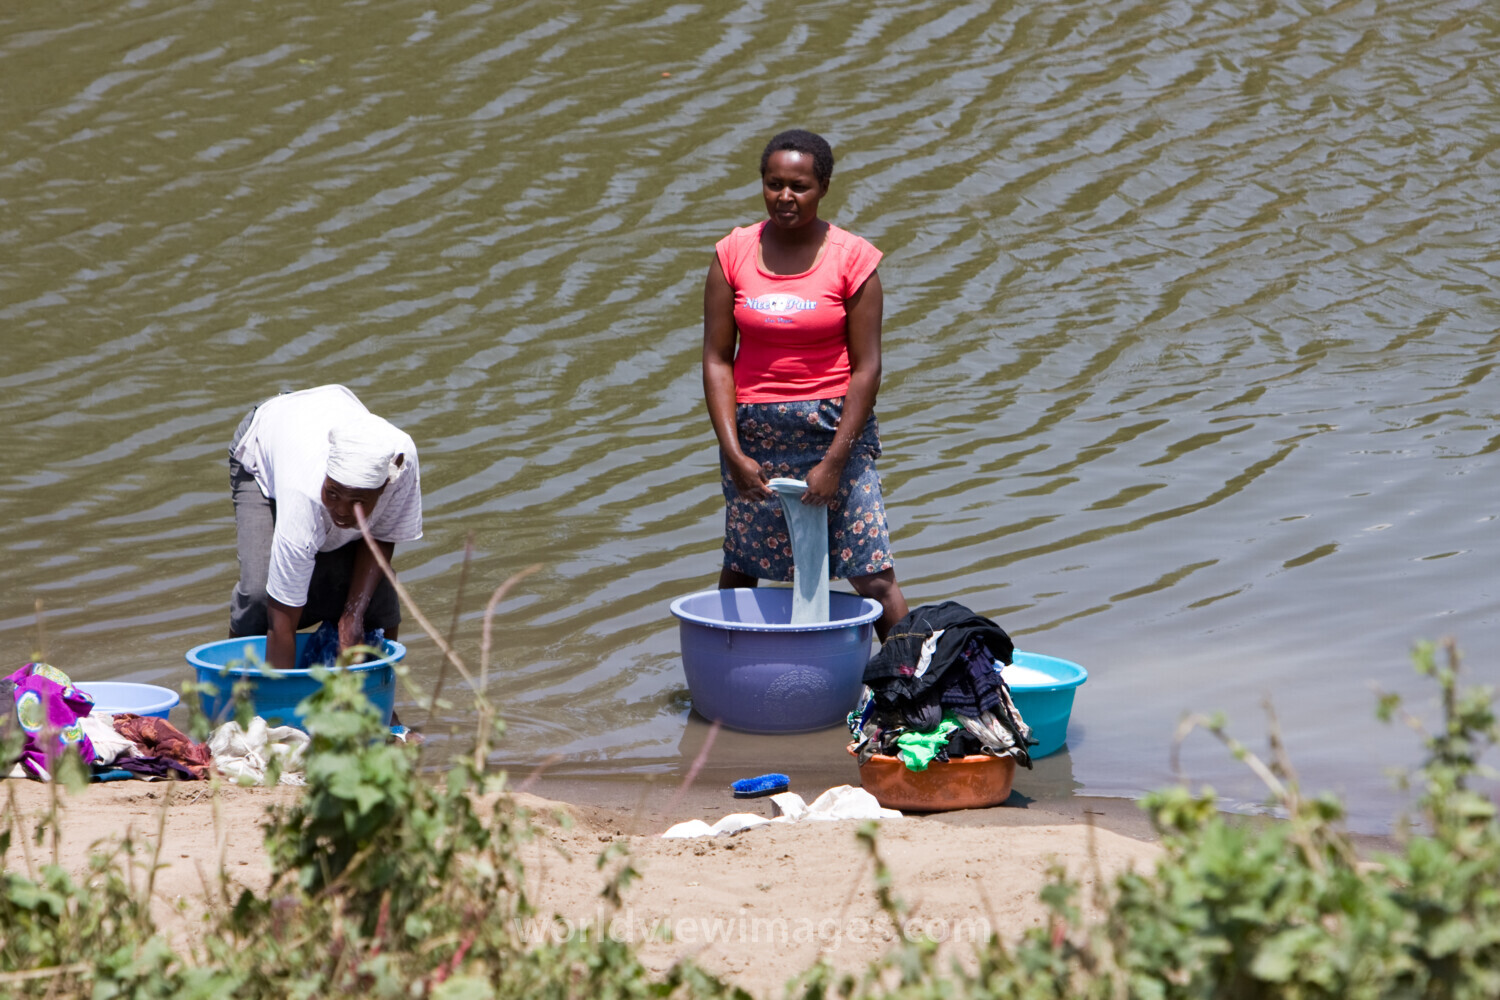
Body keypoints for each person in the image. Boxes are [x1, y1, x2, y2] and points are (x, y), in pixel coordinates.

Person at [702, 128, 909, 640]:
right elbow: (716, 360)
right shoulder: (733, 254)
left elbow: (867, 369)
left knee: (874, 575)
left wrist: (835, 462)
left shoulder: (853, 259)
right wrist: (733, 452)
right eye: (774, 185)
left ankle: (917, 685)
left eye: (799, 186)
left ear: (823, 187)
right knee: (741, 565)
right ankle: (724, 679)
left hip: (834, 430)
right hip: (755, 434)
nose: (785, 198)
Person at [226, 384, 423, 670]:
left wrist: (352, 615)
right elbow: (282, 622)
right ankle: (234, 694)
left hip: (325, 416)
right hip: (264, 445)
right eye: (332, 494)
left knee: (378, 597)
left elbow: (382, 535)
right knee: (258, 595)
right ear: (325, 480)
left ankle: (379, 699)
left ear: (383, 489)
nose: (341, 512)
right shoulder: (303, 493)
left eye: (357, 501)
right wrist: (284, 709)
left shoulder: (401, 465)